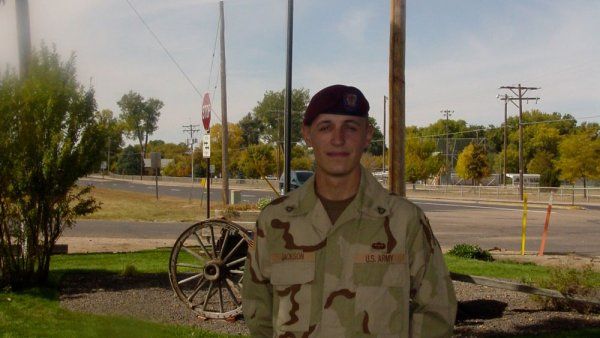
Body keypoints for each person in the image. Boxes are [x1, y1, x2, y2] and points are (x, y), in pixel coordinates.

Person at [242, 84, 457, 337]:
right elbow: (258, 308)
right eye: (325, 127)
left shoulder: (404, 220)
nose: (338, 138)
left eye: (350, 127)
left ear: (367, 135)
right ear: (308, 135)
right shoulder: (275, 221)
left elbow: (436, 309)